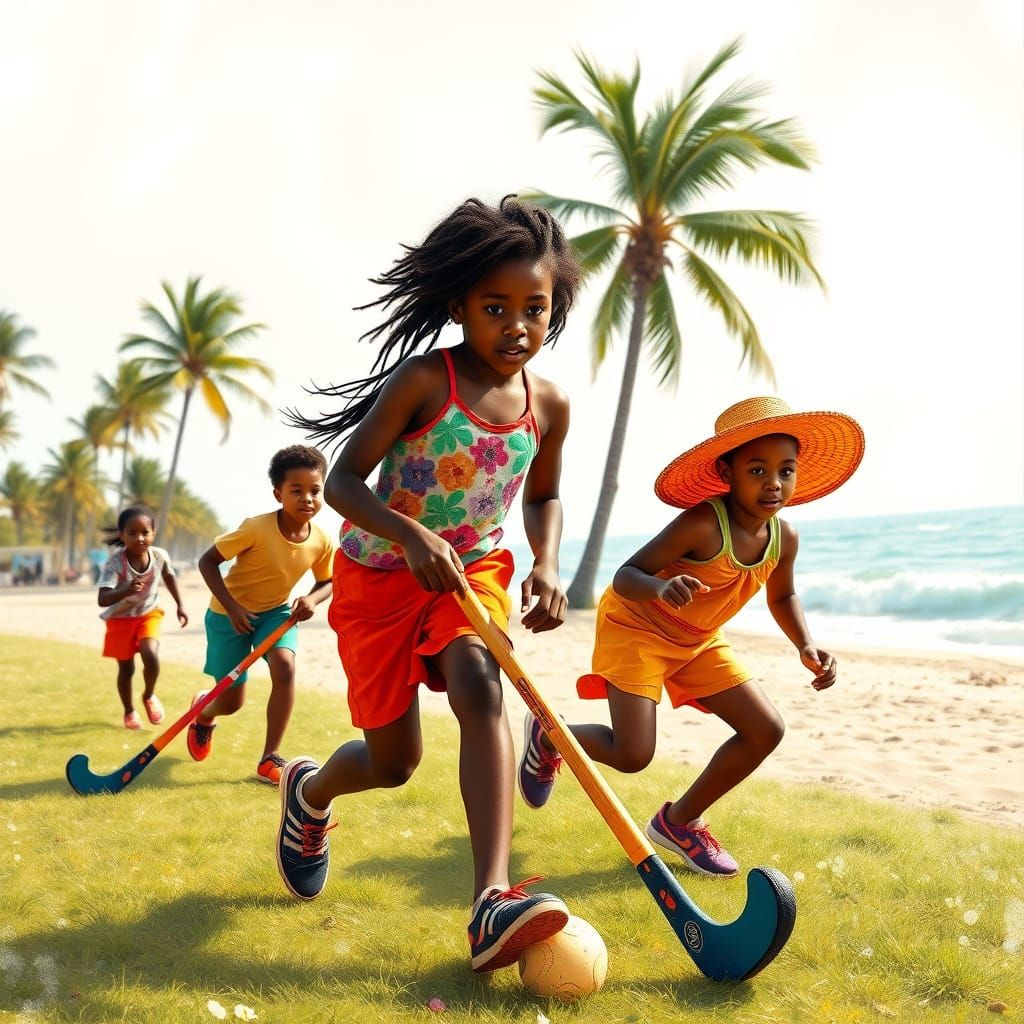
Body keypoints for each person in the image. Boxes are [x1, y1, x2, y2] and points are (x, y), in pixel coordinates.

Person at [278, 196, 582, 973]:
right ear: (458, 308)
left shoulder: (548, 405)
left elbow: (544, 495)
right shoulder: (424, 380)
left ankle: (491, 902)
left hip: (472, 572)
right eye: (494, 307)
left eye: (534, 308)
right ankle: (310, 796)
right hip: (379, 578)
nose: (516, 325)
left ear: (555, 309)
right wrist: (410, 535)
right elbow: (344, 482)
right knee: (393, 762)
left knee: (483, 687)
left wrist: (546, 562)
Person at [518, 396, 865, 877]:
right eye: (758, 470)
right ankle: (550, 736)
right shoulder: (703, 523)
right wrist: (661, 587)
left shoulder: (785, 537)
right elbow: (626, 575)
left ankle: (678, 823)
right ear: (727, 472)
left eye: (785, 471)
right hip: (638, 628)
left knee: (765, 729)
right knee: (632, 755)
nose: (774, 483)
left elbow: (783, 596)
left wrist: (805, 644)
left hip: (697, 639)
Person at [188, 445, 334, 786]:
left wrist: (312, 599)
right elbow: (207, 562)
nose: (307, 498)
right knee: (231, 702)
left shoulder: (322, 541)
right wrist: (233, 607)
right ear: (278, 494)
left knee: (285, 667)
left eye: (315, 491)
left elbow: (328, 581)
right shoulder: (255, 528)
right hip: (228, 616)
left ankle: (270, 758)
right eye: (296, 490)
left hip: (276, 614)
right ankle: (204, 713)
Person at [98, 506, 188, 729]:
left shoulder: (159, 555)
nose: (140, 538)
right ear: (122, 535)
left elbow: (168, 576)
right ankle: (129, 711)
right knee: (126, 669)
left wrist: (180, 604)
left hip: (149, 612)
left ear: (153, 533)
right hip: (120, 619)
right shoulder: (115, 563)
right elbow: (103, 598)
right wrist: (125, 590)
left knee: (150, 654)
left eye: (145, 532)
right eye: (132, 533)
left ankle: (148, 695)